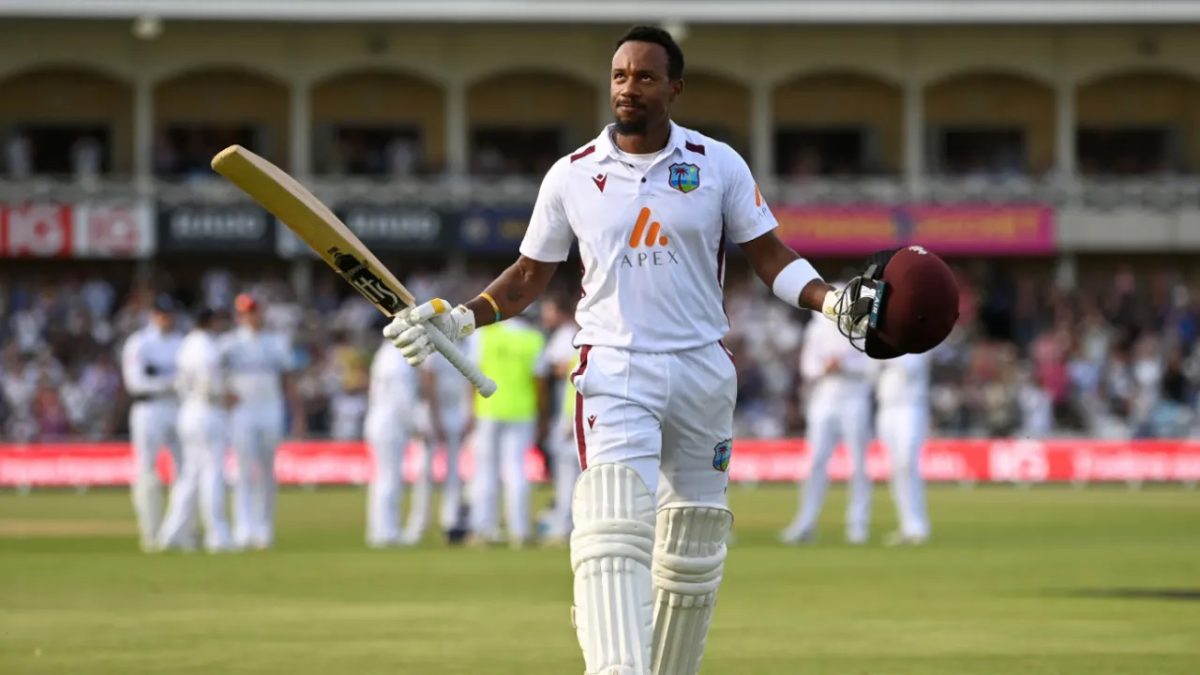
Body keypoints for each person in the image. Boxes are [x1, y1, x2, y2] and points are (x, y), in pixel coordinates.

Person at [382, 26, 957, 675]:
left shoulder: (717, 163)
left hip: (701, 368)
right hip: (615, 364)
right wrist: (461, 318)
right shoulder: (572, 175)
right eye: (621, 75)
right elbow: (526, 275)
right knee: (612, 524)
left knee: (693, 544)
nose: (630, 87)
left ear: (674, 88)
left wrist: (829, 300)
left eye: (646, 76)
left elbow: (770, 257)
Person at [780, 312, 875, 545]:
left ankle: (858, 524)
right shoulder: (817, 328)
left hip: (854, 397)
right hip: (824, 398)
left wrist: (844, 365)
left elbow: (872, 366)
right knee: (815, 462)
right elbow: (808, 367)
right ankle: (806, 522)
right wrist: (826, 367)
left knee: (859, 464)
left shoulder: (861, 326)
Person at [220, 293, 295, 550]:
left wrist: (296, 414)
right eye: (246, 312)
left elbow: (288, 380)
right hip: (242, 412)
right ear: (239, 315)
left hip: (269, 409)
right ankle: (244, 528)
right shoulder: (228, 344)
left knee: (266, 472)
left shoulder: (276, 342)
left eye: (254, 311)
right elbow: (213, 376)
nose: (251, 316)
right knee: (242, 472)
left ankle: (264, 529)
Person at [158, 308, 236, 553]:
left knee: (190, 474)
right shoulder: (207, 348)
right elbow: (210, 384)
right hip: (207, 411)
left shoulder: (186, 345)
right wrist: (226, 397)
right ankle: (218, 535)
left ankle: (172, 533)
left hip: (187, 410)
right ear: (211, 322)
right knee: (212, 473)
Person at [465, 313, 546, 547]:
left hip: (488, 408)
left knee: (486, 472)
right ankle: (519, 531)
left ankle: (483, 529)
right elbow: (540, 382)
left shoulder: (484, 335)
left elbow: (472, 374)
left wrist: (470, 411)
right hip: (522, 409)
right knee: (516, 471)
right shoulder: (533, 338)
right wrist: (542, 415)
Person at [120, 294, 185, 552]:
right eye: (161, 313)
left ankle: (177, 531)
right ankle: (151, 531)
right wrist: (170, 383)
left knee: (185, 471)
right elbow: (135, 383)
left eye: (169, 314)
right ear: (153, 314)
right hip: (148, 409)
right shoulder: (139, 343)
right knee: (147, 472)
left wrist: (170, 383)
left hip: (177, 408)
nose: (165, 318)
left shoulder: (182, 342)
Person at [404, 352, 471, 545]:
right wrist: (435, 418)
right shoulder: (432, 348)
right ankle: (417, 525)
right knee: (424, 472)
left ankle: (450, 523)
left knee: (454, 472)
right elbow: (428, 382)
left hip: (456, 411)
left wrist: (469, 413)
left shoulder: (466, 343)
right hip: (432, 414)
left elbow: (468, 380)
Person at [363, 332, 420, 548]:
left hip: (381, 421)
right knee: (389, 479)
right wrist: (415, 426)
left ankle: (380, 530)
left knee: (382, 479)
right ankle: (387, 532)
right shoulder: (397, 360)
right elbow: (402, 400)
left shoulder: (384, 355)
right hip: (390, 425)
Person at [874, 352, 933, 546]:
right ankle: (907, 524)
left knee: (907, 462)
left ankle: (918, 525)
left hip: (911, 405)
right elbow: (869, 369)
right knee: (895, 468)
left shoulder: (917, 333)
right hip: (887, 406)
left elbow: (910, 365)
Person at [538, 295, 581, 543]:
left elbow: (558, 370)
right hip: (587, 418)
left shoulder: (569, 337)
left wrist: (567, 420)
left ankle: (565, 525)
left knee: (567, 478)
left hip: (571, 417)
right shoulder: (601, 338)